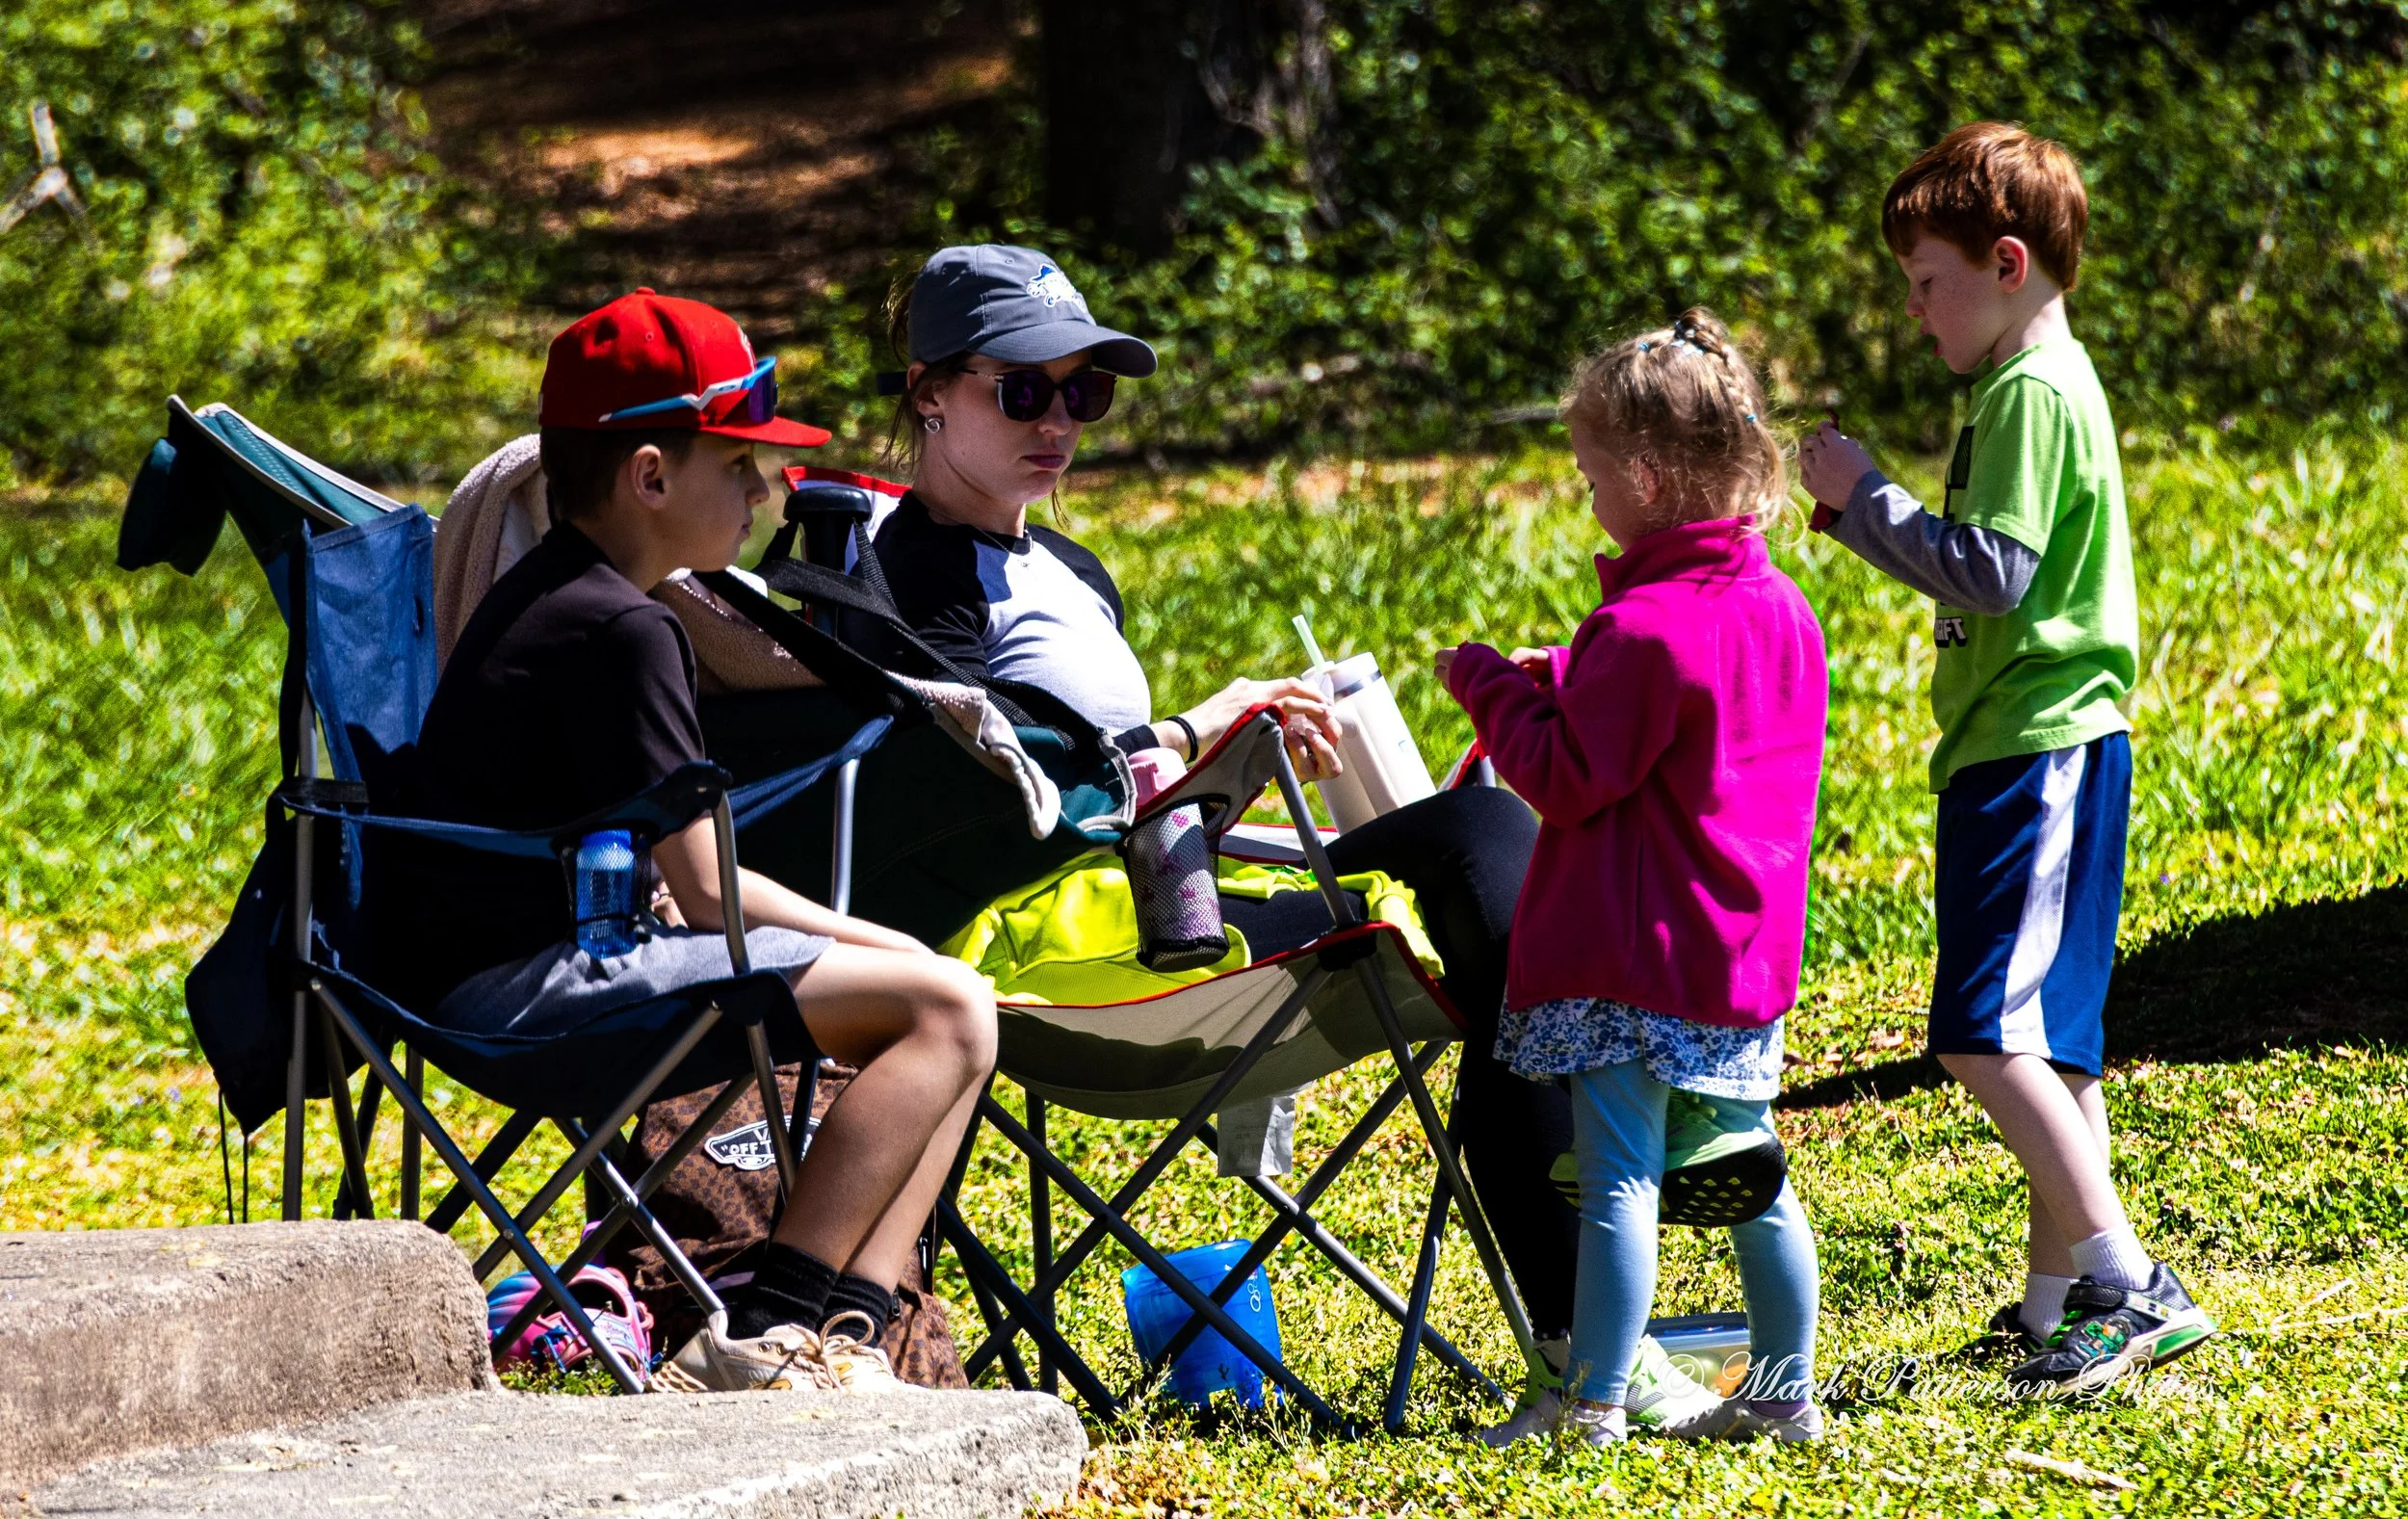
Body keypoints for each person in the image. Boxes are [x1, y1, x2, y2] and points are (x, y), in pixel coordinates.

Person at [866, 244, 1583, 1375]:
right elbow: (999, 805)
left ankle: (1585, 1304)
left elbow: (1128, 791)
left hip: (1165, 887)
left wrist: (1235, 757)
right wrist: (1198, 730)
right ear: (929, 392)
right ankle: (1586, 1316)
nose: (1059, 419)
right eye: (1023, 390)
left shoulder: (1066, 565)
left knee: (1488, 838)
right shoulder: (906, 581)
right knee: (1487, 855)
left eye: (1084, 391)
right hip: (1068, 954)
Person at [378, 289, 999, 1396]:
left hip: (482, 972)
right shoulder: (623, 626)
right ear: (650, 475)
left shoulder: (555, 594)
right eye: (738, 466)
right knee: (945, 1006)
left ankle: (848, 1339)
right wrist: (883, 941)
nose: (761, 493)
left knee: (951, 1000)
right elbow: (708, 893)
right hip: (526, 992)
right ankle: (761, 1332)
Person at [1797, 121, 2215, 1395]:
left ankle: (2131, 1284)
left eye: (1928, 283)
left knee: (1982, 1033)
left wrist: (1867, 498)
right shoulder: (2025, 384)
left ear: (2011, 263)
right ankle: (2052, 1312)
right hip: (2033, 746)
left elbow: (1995, 572)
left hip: (2036, 745)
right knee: (2053, 1048)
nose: (1916, 313)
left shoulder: (2031, 392)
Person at [1440, 310, 1828, 1446]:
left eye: (1591, 476)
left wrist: (1490, 689)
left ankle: (1591, 1398)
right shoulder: (1780, 610)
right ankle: (1784, 1389)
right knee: (1752, 1176)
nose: (1587, 497)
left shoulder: (1643, 625)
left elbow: (1564, 778)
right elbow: (1697, 727)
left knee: (1617, 1173)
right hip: (1737, 954)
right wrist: (1565, 668)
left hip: (1631, 953)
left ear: (1649, 475)